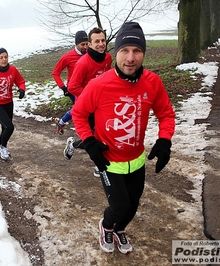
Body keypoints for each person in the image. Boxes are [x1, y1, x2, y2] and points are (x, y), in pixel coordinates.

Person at [71, 22, 175, 254]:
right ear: (115, 53)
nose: (130, 58)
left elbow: (166, 114)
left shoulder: (152, 82)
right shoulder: (99, 85)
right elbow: (78, 113)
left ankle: (119, 230)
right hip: (109, 161)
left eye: (137, 51)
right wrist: (89, 142)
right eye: (124, 51)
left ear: (143, 53)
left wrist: (164, 140)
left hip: (136, 160)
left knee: (133, 207)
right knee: (119, 207)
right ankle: (107, 226)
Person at [63, 27, 112, 177]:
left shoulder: (108, 58)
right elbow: (72, 87)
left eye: (103, 40)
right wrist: (91, 95)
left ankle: (96, 163)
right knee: (93, 138)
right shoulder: (83, 63)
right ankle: (75, 147)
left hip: (102, 104)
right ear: (89, 44)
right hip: (86, 105)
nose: (101, 44)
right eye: (96, 41)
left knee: (106, 134)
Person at [52, 30, 89, 135]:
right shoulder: (67, 57)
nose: (85, 47)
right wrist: (63, 88)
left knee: (82, 109)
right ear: (76, 44)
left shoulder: (89, 54)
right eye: (82, 44)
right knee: (80, 108)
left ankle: (62, 122)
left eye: (87, 44)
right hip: (73, 89)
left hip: (87, 88)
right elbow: (55, 73)